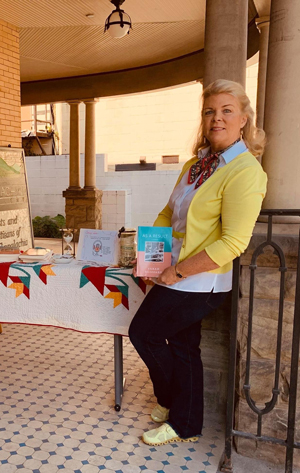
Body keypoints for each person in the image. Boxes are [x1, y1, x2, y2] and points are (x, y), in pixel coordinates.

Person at [129, 79, 267, 446]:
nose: (216, 118)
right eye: (209, 111)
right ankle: (185, 423)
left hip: (200, 281)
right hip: (173, 271)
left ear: (243, 119)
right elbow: (166, 213)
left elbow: (233, 242)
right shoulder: (197, 164)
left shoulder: (246, 171)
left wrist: (177, 270)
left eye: (226, 111)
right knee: (183, 346)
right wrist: (149, 258)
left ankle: (171, 402)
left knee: (143, 333)